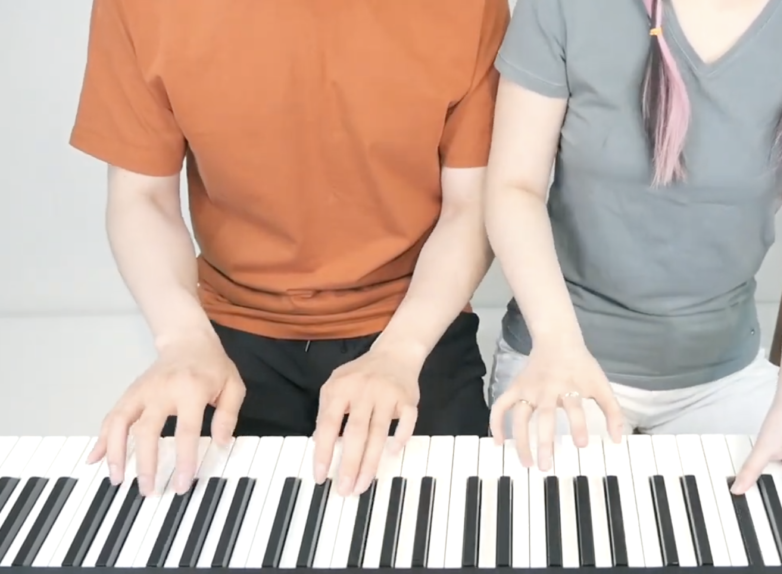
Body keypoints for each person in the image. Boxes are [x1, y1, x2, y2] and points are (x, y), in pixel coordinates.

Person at [484, 0, 782, 558]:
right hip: (564, 351)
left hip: (723, 370)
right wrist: (558, 344)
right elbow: (513, 186)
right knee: (563, 546)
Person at [70, 0, 508, 499]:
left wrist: (401, 352)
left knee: (446, 536)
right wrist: (181, 340)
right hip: (225, 334)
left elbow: (470, 207)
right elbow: (142, 197)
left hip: (415, 324)